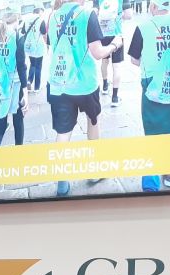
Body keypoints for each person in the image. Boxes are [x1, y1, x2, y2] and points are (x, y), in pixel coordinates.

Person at [47, 0, 123, 196]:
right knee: (93, 120)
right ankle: (94, 171)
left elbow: (52, 45)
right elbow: (98, 53)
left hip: (60, 83)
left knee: (63, 132)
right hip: (85, 83)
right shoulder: (88, 14)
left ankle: (61, 181)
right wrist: (115, 45)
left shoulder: (53, 16)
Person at [128, 0, 170, 190]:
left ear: (153, 6)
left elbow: (134, 60)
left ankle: (151, 183)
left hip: (153, 85)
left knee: (152, 133)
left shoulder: (143, 28)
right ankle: (169, 173)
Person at [0, 6, 30, 193]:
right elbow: (21, 66)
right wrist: (26, 93)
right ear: (16, 20)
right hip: (14, 85)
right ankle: (19, 158)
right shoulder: (17, 37)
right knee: (18, 121)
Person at [97, 0, 130, 107]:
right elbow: (128, 15)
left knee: (104, 61)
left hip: (103, 34)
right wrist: (119, 17)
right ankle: (115, 97)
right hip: (117, 35)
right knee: (117, 66)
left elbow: (95, 12)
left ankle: (105, 86)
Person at [23, 5, 47, 93]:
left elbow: (23, 32)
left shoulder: (26, 20)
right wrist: (47, 45)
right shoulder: (41, 20)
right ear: (40, 11)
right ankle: (37, 88)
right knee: (38, 67)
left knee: (32, 64)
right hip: (38, 47)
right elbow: (44, 34)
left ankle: (29, 81)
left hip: (29, 46)